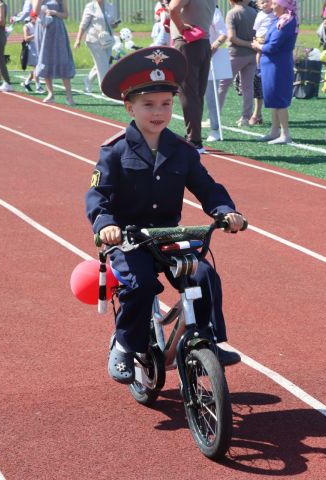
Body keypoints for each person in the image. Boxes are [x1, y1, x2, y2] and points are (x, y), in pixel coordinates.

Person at [86, 46, 245, 384]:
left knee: (204, 276)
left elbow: (207, 187)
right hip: (128, 240)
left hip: (168, 238)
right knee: (140, 285)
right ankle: (125, 346)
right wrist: (106, 225)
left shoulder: (181, 151)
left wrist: (226, 212)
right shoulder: (114, 151)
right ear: (129, 106)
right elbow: (97, 196)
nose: (158, 112)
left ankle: (208, 340)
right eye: (148, 104)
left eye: (165, 104)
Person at [167, 0, 215, 153]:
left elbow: (173, 8)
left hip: (187, 42)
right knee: (197, 93)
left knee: (188, 92)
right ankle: (195, 136)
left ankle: (194, 139)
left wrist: (179, 26)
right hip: (203, 42)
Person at [251, 0, 298, 145]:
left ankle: (285, 134)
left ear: (284, 6)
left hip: (278, 66)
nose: (272, 6)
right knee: (272, 99)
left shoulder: (287, 22)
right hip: (272, 65)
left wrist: (258, 45)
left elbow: (273, 47)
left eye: (275, 4)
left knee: (279, 100)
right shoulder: (280, 20)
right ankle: (274, 131)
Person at [217, 0, 257, 127]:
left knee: (222, 85)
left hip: (235, 54)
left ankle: (214, 116)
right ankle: (245, 117)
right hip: (252, 55)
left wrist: (246, 44)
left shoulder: (232, 13)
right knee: (248, 87)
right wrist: (251, 45)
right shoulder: (253, 12)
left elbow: (232, 37)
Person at [32, 0, 76, 104]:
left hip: (57, 29)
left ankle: (69, 95)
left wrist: (55, 13)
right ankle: (50, 93)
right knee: (45, 59)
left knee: (63, 59)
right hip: (42, 29)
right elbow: (36, 12)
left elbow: (66, 15)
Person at [73, 0, 118, 94]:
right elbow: (83, 25)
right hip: (94, 40)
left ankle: (88, 80)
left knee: (104, 64)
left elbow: (112, 24)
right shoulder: (90, 6)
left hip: (107, 40)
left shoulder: (110, 6)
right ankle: (105, 90)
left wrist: (114, 25)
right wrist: (78, 40)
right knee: (103, 65)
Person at [250, 0, 276, 125]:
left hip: (270, 45)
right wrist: (257, 40)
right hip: (260, 43)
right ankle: (259, 68)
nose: (265, 4)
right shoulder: (260, 15)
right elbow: (256, 29)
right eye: (262, 2)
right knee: (258, 79)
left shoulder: (276, 15)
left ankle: (271, 115)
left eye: (267, 1)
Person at [203, 4, 227, 142]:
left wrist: (213, 47)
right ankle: (193, 131)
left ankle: (215, 129)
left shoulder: (213, 10)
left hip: (211, 58)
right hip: (192, 57)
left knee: (211, 97)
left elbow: (223, 33)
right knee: (192, 96)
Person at [21, 11, 43, 92]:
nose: (36, 19)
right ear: (31, 17)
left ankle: (26, 82)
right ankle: (38, 87)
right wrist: (36, 34)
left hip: (39, 47)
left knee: (37, 68)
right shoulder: (27, 26)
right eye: (35, 17)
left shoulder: (39, 25)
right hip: (31, 47)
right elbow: (26, 38)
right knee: (37, 67)